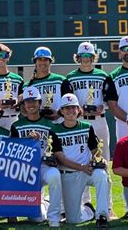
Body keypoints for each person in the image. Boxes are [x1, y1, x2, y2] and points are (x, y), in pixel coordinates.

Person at [66, 42, 116, 219]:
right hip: (79, 122)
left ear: (93, 57)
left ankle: (108, 207)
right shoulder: (70, 77)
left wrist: (103, 108)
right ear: (77, 58)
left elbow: (111, 100)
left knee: (103, 162)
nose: (85, 59)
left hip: (99, 121)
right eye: (82, 56)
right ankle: (84, 204)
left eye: (89, 56)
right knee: (81, 161)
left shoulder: (103, 75)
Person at [52, 94, 109, 228]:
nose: (70, 111)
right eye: (67, 108)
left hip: (87, 172)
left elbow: (96, 150)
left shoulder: (86, 127)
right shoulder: (55, 130)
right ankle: (89, 210)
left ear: (78, 109)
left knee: (101, 175)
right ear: (62, 111)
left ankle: (102, 216)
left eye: (73, 107)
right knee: (73, 220)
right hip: (69, 174)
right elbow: (61, 158)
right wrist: (81, 167)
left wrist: (100, 160)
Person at [10, 86, 62, 228]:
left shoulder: (50, 125)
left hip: (44, 166)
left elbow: (56, 150)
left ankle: (54, 217)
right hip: (25, 169)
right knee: (37, 219)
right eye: (28, 102)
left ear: (39, 103)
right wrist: (27, 141)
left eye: (34, 101)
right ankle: (42, 202)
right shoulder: (16, 126)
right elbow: (12, 154)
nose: (31, 105)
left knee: (55, 175)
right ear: (24, 105)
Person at [25, 47, 72, 121]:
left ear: (50, 62)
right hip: (39, 125)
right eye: (39, 59)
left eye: (45, 60)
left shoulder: (61, 80)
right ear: (35, 62)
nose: (42, 62)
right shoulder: (28, 86)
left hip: (59, 124)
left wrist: (59, 113)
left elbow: (70, 102)